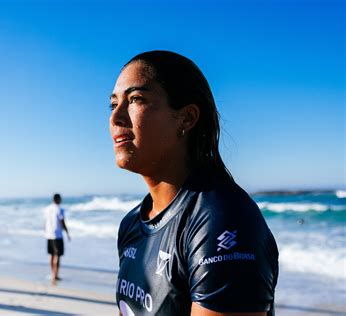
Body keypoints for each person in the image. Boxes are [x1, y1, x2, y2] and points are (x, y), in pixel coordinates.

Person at [110, 51, 278, 315]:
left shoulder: (223, 222)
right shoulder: (131, 224)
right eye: (113, 104)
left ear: (186, 118)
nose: (116, 117)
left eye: (135, 99)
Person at [43, 193, 70, 285]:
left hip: (49, 234)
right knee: (57, 256)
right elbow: (62, 222)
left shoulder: (47, 209)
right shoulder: (59, 209)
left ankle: (52, 273)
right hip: (57, 235)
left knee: (51, 255)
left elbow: (45, 221)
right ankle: (55, 275)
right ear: (58, 199)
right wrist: (67, 232)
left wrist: (46, 231)